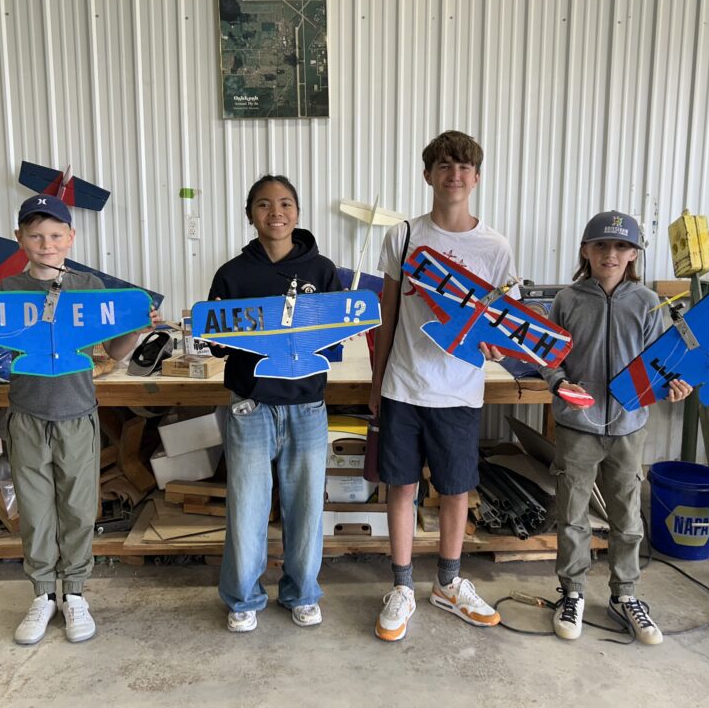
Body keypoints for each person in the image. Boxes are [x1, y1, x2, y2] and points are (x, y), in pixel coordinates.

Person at [0, 194, 160, 645]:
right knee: (34, 510)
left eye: (55, 235)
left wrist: (137, 326)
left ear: (71, 237)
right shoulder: (8, 291)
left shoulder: (91, 287)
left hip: (77, 413)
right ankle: (42, 594)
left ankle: (74, 593)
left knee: (78, 508)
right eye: (36, 235)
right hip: (26, 415)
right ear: (20, 238)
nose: (46, 244)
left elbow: (115, 352)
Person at [368, 130, 514, 641]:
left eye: (464, 166)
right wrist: (376, 382)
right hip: (404, 387)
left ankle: (448, 583)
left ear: (477, 178)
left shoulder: (495, 247)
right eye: (444, 165)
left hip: (459, 392)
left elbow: (502, 322)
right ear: (428, 175)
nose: (455, 174)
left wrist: (499, 346)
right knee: (401, 487)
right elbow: (387, 315)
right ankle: (402, 586)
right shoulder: (404, 236)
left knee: (455, 489)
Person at [539, 210, 692, 645]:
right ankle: (572, 592)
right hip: (577, 426)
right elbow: (549, 355)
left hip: (628, 427)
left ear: (634, 254)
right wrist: (559, 383)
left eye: (622, 246)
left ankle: (625, 595)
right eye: (601, 245)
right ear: (585, 251)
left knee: (627, 516)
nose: (611, 253)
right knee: (572, 515)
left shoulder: (647, 303)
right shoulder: (566, 301)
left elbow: (662, 363)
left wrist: (673, 386)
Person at [208, 174, 341, 633]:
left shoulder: (323, 271)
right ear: (250, 215)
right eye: (264, 204)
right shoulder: (232, 273)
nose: (276, 212)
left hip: (307, 405)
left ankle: (302, 592)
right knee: (246, 506)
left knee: (306, 507)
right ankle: (243, 597)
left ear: (298, 213)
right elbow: (217, 344)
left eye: (285, 203)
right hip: (250, 405)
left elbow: (335, 339)